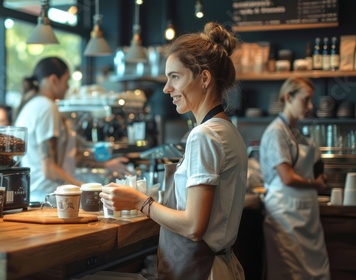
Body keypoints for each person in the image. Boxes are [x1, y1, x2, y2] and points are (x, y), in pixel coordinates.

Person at [100, 22, 247, 279]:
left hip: (202, 270)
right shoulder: (228, 130)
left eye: (175, 77)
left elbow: (193, 226)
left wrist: (139, 201)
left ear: (204, 78)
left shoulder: (205, 135)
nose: (167, 88)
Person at [14, 57, 131, 203]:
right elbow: (49, 169)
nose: (67, 87)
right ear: (53, 80)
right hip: (50, 197)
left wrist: (105, 164)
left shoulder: (32, 106)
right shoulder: (46, 107)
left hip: (39, 195)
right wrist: (81, 187)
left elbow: (70, 156)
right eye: (66, 81)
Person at [259, 77, 330, 279]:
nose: (310, 106)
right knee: (290, 273)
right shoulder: (276, 132)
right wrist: (314, 184)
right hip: (285, 217)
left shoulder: (297, 131)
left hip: (305, 216)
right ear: (288, 97)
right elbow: (287, 178)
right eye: (305, 100)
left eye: (311, 101)